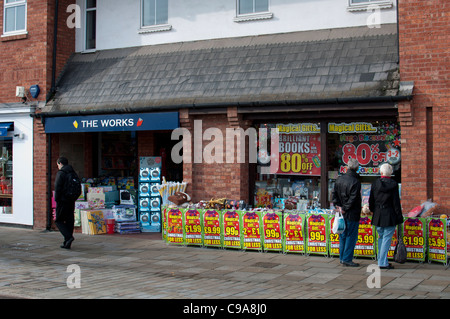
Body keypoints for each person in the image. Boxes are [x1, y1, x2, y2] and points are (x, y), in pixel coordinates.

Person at [369, 163, 403, 269]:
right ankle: (382, 262)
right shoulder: (393, 184)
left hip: (378, 214)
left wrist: (372, 210)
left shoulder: (375, 184)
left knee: (381, 238)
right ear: (391, 173)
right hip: (389, 214)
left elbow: (371, 200)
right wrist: (399, 216)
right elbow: (396, 202)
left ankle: (381, 259)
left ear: (381, 172)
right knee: (387, 238)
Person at [332, 158, 362, 267]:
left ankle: (342, 258)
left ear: (347, 167)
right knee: (350, 236)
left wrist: (339, 206)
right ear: (357, 168)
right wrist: (345, 208)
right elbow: (353, 198)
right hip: (351, 212)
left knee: (343, 235)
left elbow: (334, 195)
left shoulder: (339, 179)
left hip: (341, 212)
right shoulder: (355, 181)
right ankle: (347, 258)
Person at [54, 157, 76, 249]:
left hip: (63, 200)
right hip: (71, 200)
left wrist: (57, 199)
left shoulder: (61, 173)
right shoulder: (73, 173)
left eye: (57, 164)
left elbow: (57, 187)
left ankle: (68, 237)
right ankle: (67, 242)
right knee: (69, 220)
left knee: (58, 220)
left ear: (60, 163)